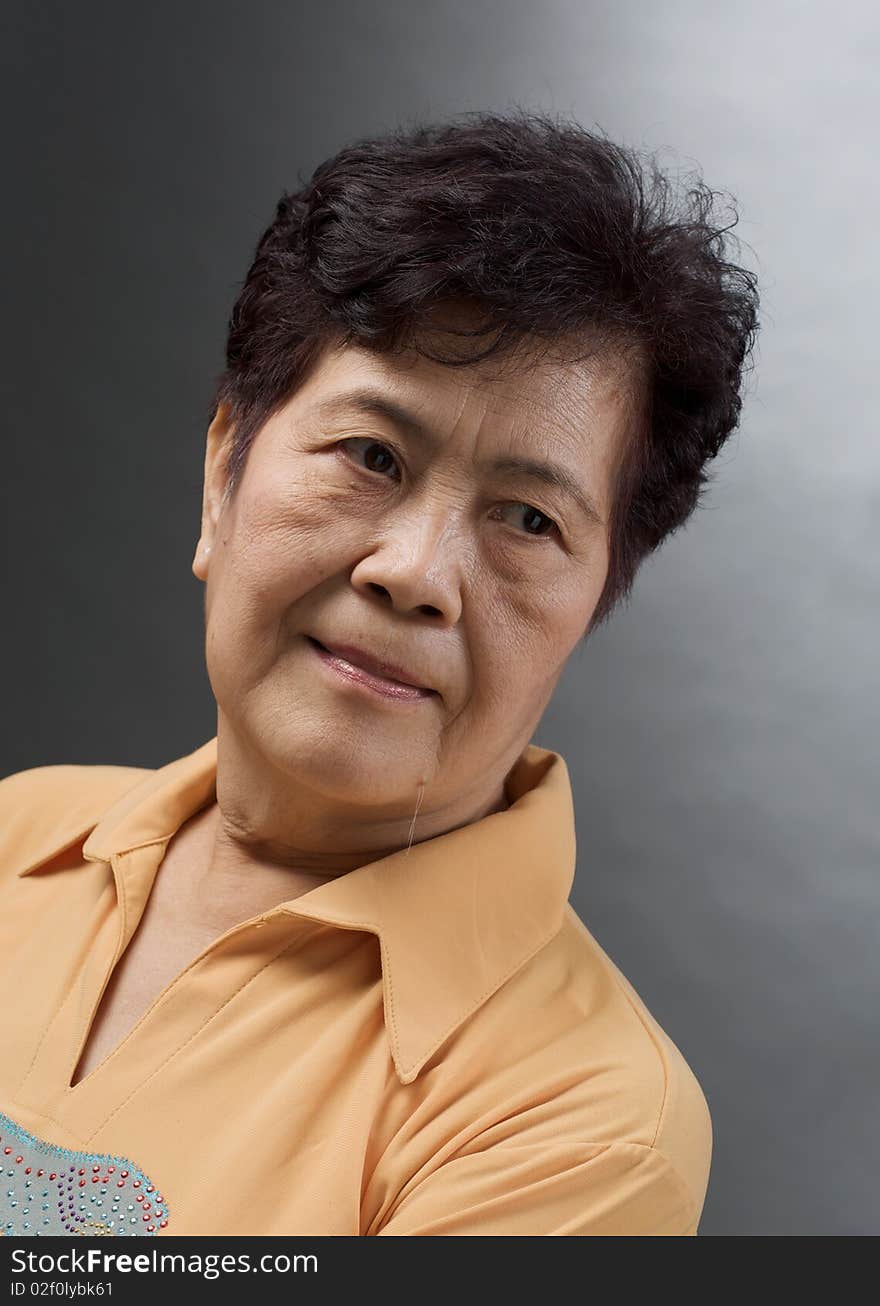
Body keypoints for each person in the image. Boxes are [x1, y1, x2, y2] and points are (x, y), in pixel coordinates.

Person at [0, 109, 759, 1237]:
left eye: (527, 517)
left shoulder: (580, 1128)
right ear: (223, 473)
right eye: (371, 455)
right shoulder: (18, 832)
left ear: (595, 601)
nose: (416, 573)